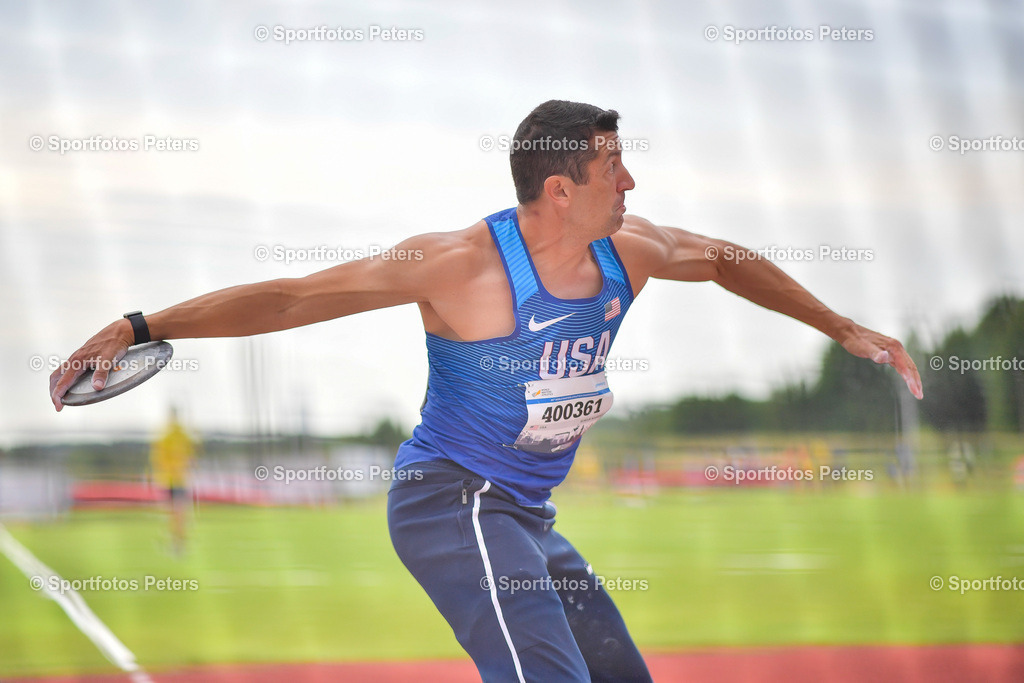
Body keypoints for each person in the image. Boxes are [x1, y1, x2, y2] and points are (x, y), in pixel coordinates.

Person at [49, 100, 923, 682]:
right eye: (613, 167)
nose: (630, 182)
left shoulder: (633, 251)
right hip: (449, 500)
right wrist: (140, 323)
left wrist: (842, 326)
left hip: (526, 516)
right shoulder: (460, 265)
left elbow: (727, 260)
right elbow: (292, 296)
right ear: (560, 189)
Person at [150, 406, 195, 555]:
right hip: (180, 478)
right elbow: (191, 456)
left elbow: (158, 458)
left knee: (173, 512)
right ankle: (178, 541)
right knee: (179, 512)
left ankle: (176, 542)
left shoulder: (164, 435)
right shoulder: (183, 434)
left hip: (169, 478)